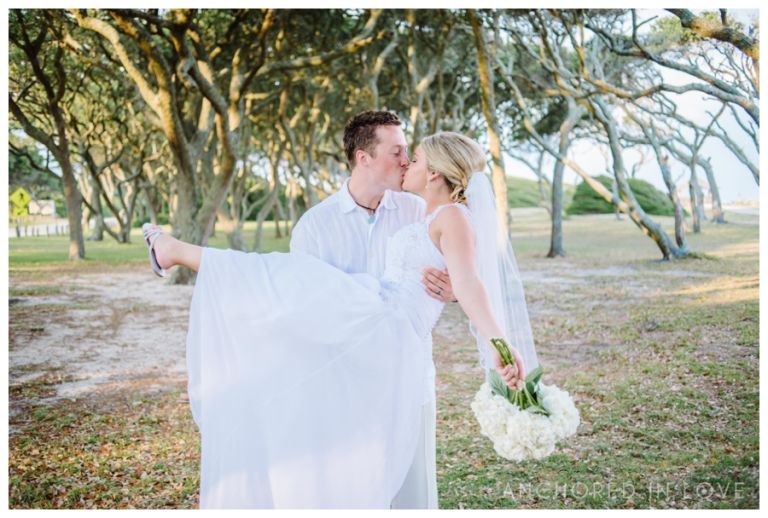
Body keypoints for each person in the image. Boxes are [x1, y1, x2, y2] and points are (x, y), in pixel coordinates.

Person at [142, 131, 526, 509]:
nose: (409, 162)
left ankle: (174, 250)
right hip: (379, 313)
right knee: (283, 283)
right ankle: (175, 252)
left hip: (390, 325)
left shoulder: (452, 216)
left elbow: (470, 281)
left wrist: (497, 343)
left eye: (418, 159)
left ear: (435, 175)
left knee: (278, 281)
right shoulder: (422, 212)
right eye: (402, 153)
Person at [289, 110, 451, 509]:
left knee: (412, 486)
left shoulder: (419, 212)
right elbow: (306, 313)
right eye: (397, 151)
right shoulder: (314, 227)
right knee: (351, 491)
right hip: (345, 383)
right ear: (363, 157)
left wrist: (455, 292)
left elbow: (458, 273)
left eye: (407, 151)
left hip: (409, 372)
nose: (406, 160)